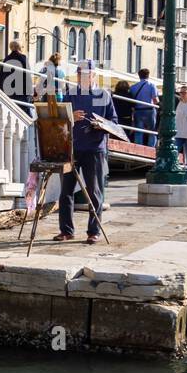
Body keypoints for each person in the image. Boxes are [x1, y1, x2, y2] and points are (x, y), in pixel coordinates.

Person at [54, 58, 116, 244]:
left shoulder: (104, 94)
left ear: (94, 75)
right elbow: (60, 120)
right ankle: (66, 231)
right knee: (65, 191)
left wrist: (101, 125)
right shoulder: (70, 94)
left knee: (94, 191)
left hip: (95, 149)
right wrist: (71, 117)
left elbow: (114, 121)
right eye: (80, 74)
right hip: (71, 149)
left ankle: (93, 231)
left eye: (86, 74)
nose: (83, 77)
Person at [128, 68, 158, 147]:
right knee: (152, 131)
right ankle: (151, 148)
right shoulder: (152, 85)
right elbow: (155, 100)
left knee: (138, 130)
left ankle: (138, 147)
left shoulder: (133, 87)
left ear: (139, 76)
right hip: (149, 110)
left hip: (138, 111)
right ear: (148, 75)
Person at [0, 39, 30, 104]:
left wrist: (0, 88)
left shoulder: (7, 58)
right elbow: (27, 76)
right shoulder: (23, 58)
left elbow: (1, 75)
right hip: (20, 91)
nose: (23, 48)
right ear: (19, 47)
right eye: (22, 46)